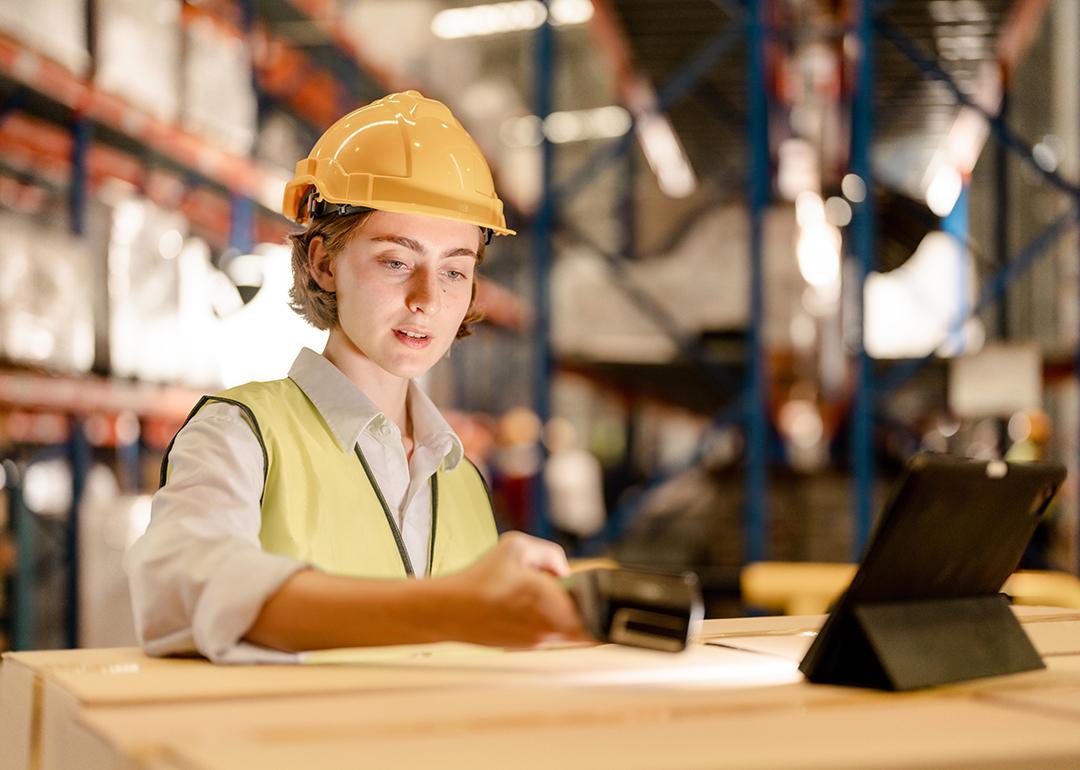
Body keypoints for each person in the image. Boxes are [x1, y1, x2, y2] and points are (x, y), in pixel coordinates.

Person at [127, 91, 588, 662]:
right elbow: (183, 591)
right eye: (397, 261)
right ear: (324, 263)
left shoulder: (462, 478)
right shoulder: (242, 434)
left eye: (454, 271)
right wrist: (454, 609)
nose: (427, 300)